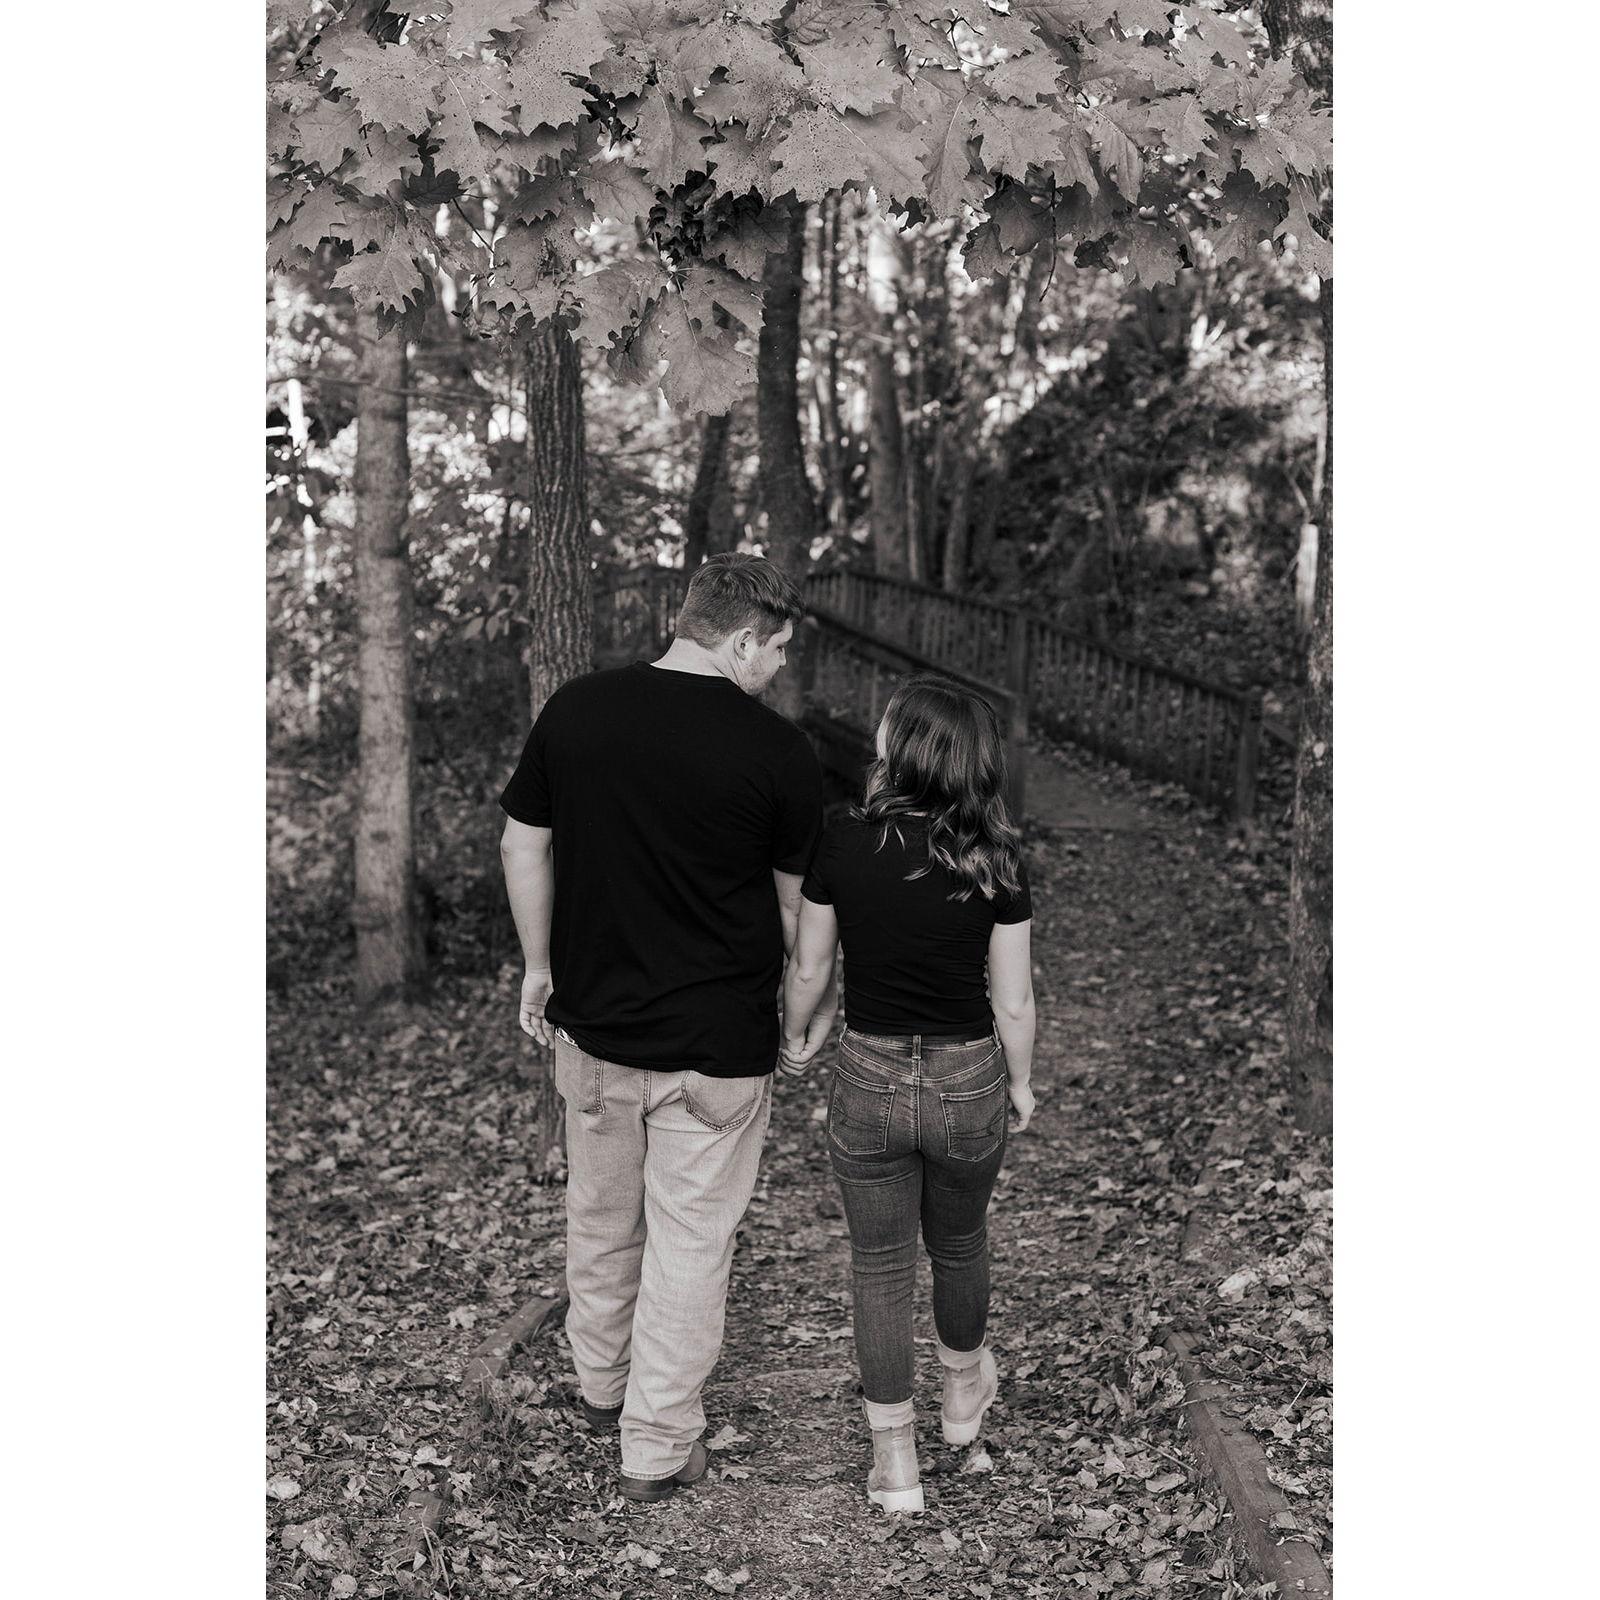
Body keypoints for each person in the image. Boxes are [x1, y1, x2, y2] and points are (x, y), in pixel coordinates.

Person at [498, 553, 824, 1504]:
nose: (779, 668)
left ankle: (602, 1390)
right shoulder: (778, 753)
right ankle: (655, 1446)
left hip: (594, 1032)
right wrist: (803, 1015)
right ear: (740, 640)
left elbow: (522, 843)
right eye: (777, 650)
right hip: (718, 1048)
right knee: (690, 1244)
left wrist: (539, 966)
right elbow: (800, 912)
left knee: (600, 1221)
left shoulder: (577, 710)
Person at [779, 674, 1036, 1514]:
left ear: (911, 747)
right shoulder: (996, 855)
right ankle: (962, 1393)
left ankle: (896, 1464)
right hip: (967, 1075)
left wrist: (797, 1032)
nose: (877, 734)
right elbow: (1013, 1001)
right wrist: (1020, 1082)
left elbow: (811, 966)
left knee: (881, 1265)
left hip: (869, 1072)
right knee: (959, 1242)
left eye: (887, 724)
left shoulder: (846, 839)